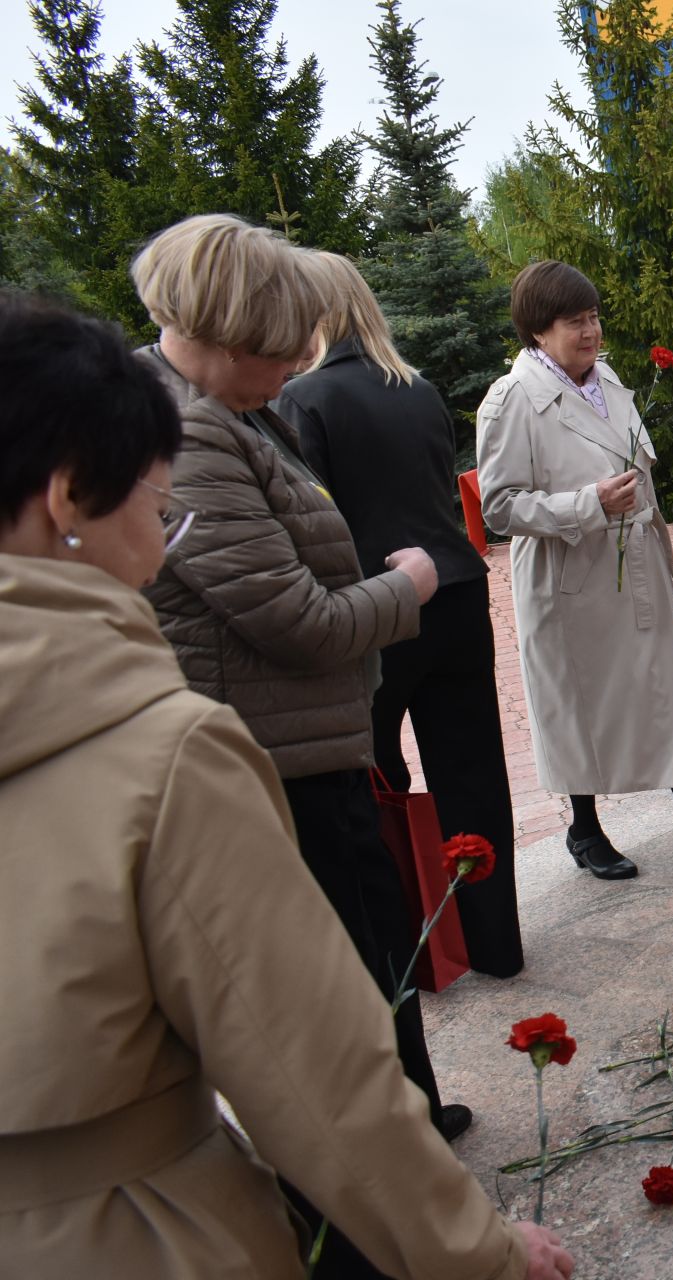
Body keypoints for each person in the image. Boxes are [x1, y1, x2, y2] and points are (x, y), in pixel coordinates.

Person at [0, 295, 573, 1280]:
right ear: (67, 498)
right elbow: (316, 1078)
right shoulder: (160, 754)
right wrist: (480, 1252)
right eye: (151, 488)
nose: (169, 515)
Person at [131, 215, 478, 1276]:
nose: (295, 368)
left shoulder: (234, 414)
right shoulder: (185, 438)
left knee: (376, 970)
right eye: (281, 347)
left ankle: (405, 1164)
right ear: (222, 331)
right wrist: (408, 585)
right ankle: (364, 1217)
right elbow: (297, 618)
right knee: (335, 1008)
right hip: (274, 764)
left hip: (310, 745)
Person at [276, 251, 524, 976]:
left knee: (376, 784)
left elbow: (313, 522)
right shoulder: (417, 386)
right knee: (474, 777)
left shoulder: (305, 398)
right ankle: (494, 944)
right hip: (456, 594)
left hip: (378, 607)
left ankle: (412, 954)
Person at [477, 260, 673, 887]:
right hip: (570, 583)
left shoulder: (607, 379)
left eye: (594, 316)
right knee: (583, 709)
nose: (591, 331)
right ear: (537, 331)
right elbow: (498, 507)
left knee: (668, 698)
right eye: (574, 321)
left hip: (636, 573)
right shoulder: (511, 399)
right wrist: (589, 504)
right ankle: (585, 827)